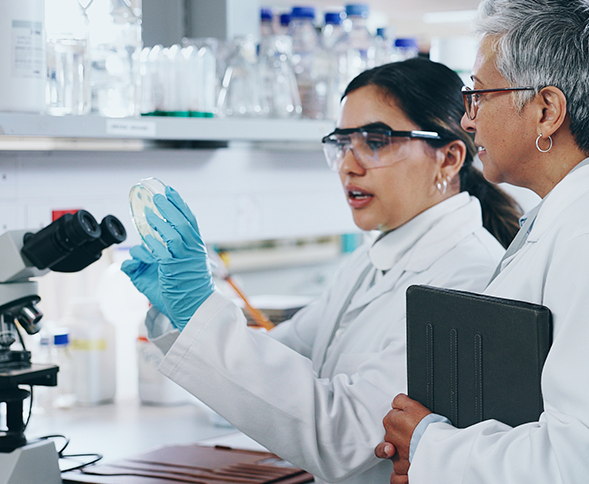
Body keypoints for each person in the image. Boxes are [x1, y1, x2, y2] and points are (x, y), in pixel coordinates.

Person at [121, 58, 522, 484]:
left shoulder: (469, 278)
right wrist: (182, 316)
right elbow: (279, 362)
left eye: (375, 141)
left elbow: (345, 436)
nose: (349, 164)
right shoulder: (371, 262)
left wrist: (200, 313)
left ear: (449, 158)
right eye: (342, 143)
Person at [375, 0, 589, 483]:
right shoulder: (574, 220)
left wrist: (431, 446)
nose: (467, 119)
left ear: (547, 111)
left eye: (479, 95)